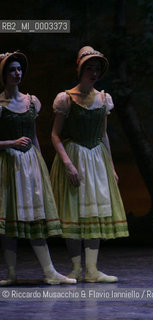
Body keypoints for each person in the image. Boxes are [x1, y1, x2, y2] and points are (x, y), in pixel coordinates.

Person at [50, 46, 128, 283]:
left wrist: (111, 166)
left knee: (95, 212)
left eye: (97, 69)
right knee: (75, 211)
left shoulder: (104, 99)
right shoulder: (66, 98)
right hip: (75, 156)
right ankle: (75, 269)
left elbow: (103, 135)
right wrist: (67, 164)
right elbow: (55, 135)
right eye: (89, 68)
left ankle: (92, 270)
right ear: (80, 69)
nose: (93, 73)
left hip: (96, 159)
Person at [0, 51, 76, 286]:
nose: (17, 73)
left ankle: (50, 271)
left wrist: (41, 167)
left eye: (19, 69)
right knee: (9, 220)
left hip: (30, 163)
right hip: (8, 165)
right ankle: (12, 274)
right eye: (12, 69)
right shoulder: (0, 106)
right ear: (4, 74)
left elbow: (33, 135)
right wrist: (10, 143)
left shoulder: (32, 102)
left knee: (35, 218)